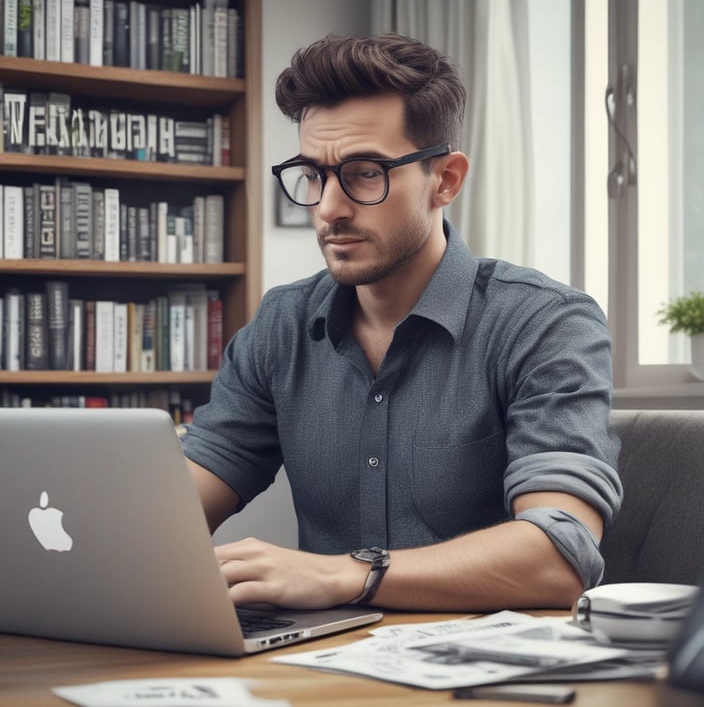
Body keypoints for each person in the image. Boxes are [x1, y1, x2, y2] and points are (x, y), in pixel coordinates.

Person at [179, 33, 622, 613]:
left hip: (485, 679)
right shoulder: (281, 326)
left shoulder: (545, 322)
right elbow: (170, 514)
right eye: (312, 175)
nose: (329, 208)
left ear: (446, 180)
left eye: (365, 172)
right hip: (314, 672)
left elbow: (559, 555)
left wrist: (345, 574)